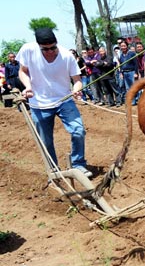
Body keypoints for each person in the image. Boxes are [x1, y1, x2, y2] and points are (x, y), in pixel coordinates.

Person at [17, 27, 92, 177]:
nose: (50, 51)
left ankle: (78, 164)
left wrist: (77, 89)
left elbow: (77, 80)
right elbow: (23, 71)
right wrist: (28, 87)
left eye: (53, 47)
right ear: (38, 45)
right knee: (46, 141)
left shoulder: (66, 56)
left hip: (64, 100)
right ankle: (54, 170)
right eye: (46, 49)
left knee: (78, 131)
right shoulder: (28, 50)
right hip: (39, 104)